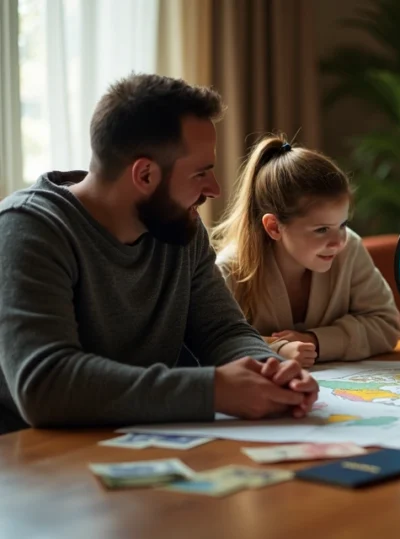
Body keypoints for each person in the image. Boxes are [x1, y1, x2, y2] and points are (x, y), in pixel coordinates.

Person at [0, 74, 318, 435]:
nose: (214, 189)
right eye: (201, 173)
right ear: (146, 174)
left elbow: (223, 331)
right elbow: (43, 385)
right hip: (26, 459)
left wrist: (270, 370)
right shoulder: (29, 229)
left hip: (133, 443)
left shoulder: (180, 227)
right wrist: (213, 390)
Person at [212, 135, 400, 366]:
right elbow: (209, 342)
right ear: (273, 227)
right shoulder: (229, 270)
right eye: (322, 229)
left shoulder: (350, 248)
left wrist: (316, 341)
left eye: (342, 224)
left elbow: (387, 324)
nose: (338, 242)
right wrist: (277, 348)